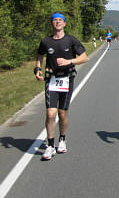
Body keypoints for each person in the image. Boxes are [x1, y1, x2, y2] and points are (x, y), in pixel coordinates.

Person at [34, 12, 88, 160]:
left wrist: (69, 61)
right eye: (55, 20)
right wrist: (37, 69)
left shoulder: (70, 40)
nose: (57, 22)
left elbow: (84, 57)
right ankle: (50, 145)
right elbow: (39, 55)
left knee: (62, 113)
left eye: (60, 20)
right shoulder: (46, 41)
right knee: (50, 113)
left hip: (66, 80)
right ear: (52, 23)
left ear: (64, 23)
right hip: (51, 80)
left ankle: (62, 139)